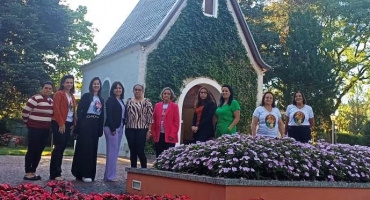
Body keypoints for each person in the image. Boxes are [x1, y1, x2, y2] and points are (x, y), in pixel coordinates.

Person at [71, 77, 105, 182]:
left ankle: (89, 173)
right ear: (91, 85)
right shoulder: (86, 96)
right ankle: (81, 173)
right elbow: (79, 110)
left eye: (98, 84)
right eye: (94, 84)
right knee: (84, 148)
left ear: (100, 86)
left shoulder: (101, 99)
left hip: (95, 125)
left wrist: (100, 129)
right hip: (86, 124)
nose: (96, 85)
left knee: (93, 150)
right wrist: (81, 123)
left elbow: (102, 115)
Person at [22, 81, 54, 181]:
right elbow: (25, 112)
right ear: (42, 88)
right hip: (34, 129)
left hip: (45, 130)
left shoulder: (51, 101)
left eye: (50, 88)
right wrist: (28, 123)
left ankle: (33, 171)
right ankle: (27, 172)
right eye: (46, 88)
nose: (47, 90)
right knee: (32, 150)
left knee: (39, 151)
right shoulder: (34, 99)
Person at [50, 74, 76, 181]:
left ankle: (58, 172)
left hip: (69, 123)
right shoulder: (59, 94)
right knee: (58, 148)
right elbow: (56, 109)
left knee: (62, 148)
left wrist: (74, 124)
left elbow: (73, 111)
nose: (69, 84)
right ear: (63, 83)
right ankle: (55, 173)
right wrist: (61, 124)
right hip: (59, 123)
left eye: (71, 82)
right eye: (67, 82)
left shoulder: (72, 96)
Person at [125, 84, 153, 168]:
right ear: (133, 91)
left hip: (142, 129)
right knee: (132, 151)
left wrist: (149, 131)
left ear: (142, 91)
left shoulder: (147, 102)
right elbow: (125, 115)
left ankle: (144, 170)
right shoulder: (129, 101)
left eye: (139, 90)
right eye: (136, 89)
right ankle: (133, 170)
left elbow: (150, 118)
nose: (137, 91)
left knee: (140, 151)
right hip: (130, 129)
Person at [103, 81, 125, 182]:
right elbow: (109, 115)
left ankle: (109, 175)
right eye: (116, 88)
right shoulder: (110, 100)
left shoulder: (121, 100)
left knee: (114, 153)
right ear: (112, 90)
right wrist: (112, 129)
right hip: (112, 128)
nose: (118, 90)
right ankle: (109, 176)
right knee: (111, 153)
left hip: (120, 128)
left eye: (120, 88)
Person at [152, 87, 180, 158]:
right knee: (159, 155)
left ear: (171, 95)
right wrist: (154, 133)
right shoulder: (157, 105)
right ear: (162, 95)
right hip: (159, 135)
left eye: (168, 94)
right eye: (165, 93)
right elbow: (153, 120)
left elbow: (176, 122)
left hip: (169, 136)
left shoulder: (174, 106)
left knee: (168, 157)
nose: (166, 95)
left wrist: (172, 134)